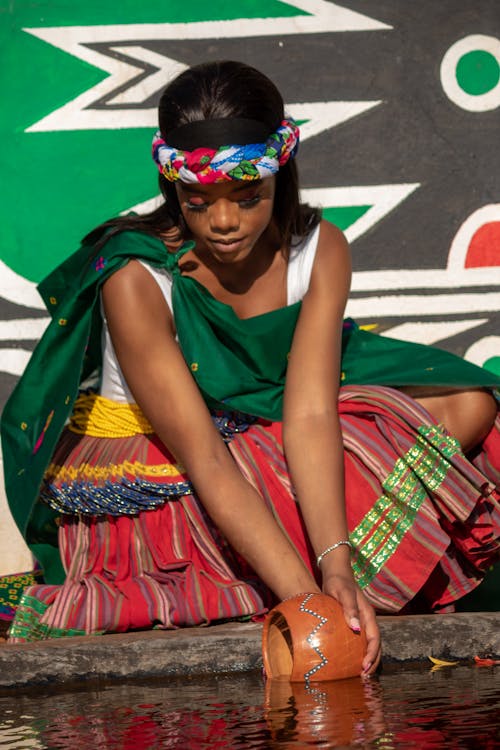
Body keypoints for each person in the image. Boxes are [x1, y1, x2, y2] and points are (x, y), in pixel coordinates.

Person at [1, 61, 499, 670]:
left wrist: (336, 566)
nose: (225, 222)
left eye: (246, 196)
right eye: (198, 199)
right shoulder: (136, 279)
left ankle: (347, 577)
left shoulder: (320, 250)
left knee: (472, 408)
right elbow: (207, 457)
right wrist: (306, 600)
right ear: (172, 187)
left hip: (261, 433)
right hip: (164, 473)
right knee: (273, 476)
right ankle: (296, 579)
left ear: (279, 174)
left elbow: (311, 411)